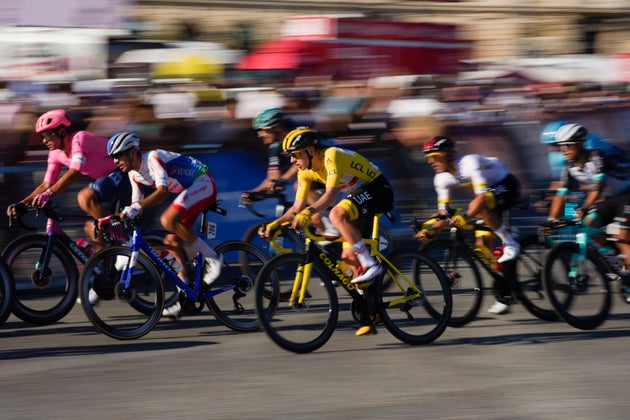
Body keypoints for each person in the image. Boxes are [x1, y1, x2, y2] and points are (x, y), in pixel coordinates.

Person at [106, 131, 223, 318]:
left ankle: (213, 257)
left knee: (167, 220)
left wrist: (137, 207)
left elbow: (162, 193)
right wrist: (122, 216)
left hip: (203, 181)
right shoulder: (133, 175)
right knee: (171, 243)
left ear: (132, 152)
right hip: (189, 190)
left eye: (118, 155)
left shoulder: (152, 158)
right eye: (113, 157)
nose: (115, 161)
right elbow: (137, 206)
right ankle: (184, 296)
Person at [260, 127, 394, 288]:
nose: (292, 161)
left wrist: (308, 212)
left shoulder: (331, 156)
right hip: (361, 197)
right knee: (348, 257)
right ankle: (372, 308)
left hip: (378, 190)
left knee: (337, 214)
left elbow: (331, 196)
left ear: (310, 150)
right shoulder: (304, 172)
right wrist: (276, 224)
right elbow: (297, 207)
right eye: (290, 156)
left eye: (295, 154)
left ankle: (371, 264)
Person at [416, 135, 522, 315]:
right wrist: (430, 230)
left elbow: (481, 198)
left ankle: (511, 241)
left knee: (479, 208)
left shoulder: (469, 163)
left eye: (434, 156)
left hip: (506, 185)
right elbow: (443, 214)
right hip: (488, 195)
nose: (430, 162)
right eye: (428, 158)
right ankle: (505, 291)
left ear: (448, 155)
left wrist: (465, 216)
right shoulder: (441, 179)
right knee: (482, 248)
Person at [6, 109, 131, 249]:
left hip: (123, 172)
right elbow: (46, 184)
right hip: (106, 182)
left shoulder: (80, 138)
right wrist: (23, 203)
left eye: (47, 135)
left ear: (62, 132)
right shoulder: (54, 154)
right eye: (42, 136)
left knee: (85, 196)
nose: (44, 140)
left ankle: (125, 242)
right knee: (92, 229)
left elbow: (75, 172)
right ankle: (105, 266)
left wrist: (49, 194)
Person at [546, 124, 630, 296]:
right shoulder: (569, 167)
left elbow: (598, 186)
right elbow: (561, 194)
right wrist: (551, 219)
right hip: (610, 200)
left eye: (568, 145)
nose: (564, 150)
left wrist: (584, 207)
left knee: (622, 236)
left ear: (580, 144)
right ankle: (614, 256)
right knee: (588, 223)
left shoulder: (596, 156)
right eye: (561, 146)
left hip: (626, 194)